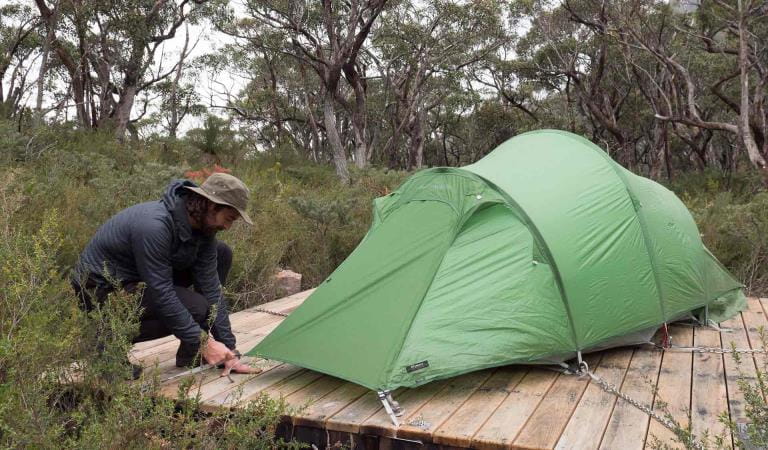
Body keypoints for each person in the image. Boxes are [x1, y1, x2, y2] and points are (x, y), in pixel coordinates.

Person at [71, 173, 259, 378]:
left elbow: (212, 288)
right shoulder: (154, 226)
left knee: (222, 254)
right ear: (212, 206)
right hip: (101, 290)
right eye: (229, 218)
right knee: (196, 307)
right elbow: (161, 292)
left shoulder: (204, 230)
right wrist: (203, 341)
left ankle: (193, 353)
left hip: (140, 280)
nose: (227, 226)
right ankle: (107, 345)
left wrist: (229, 350)